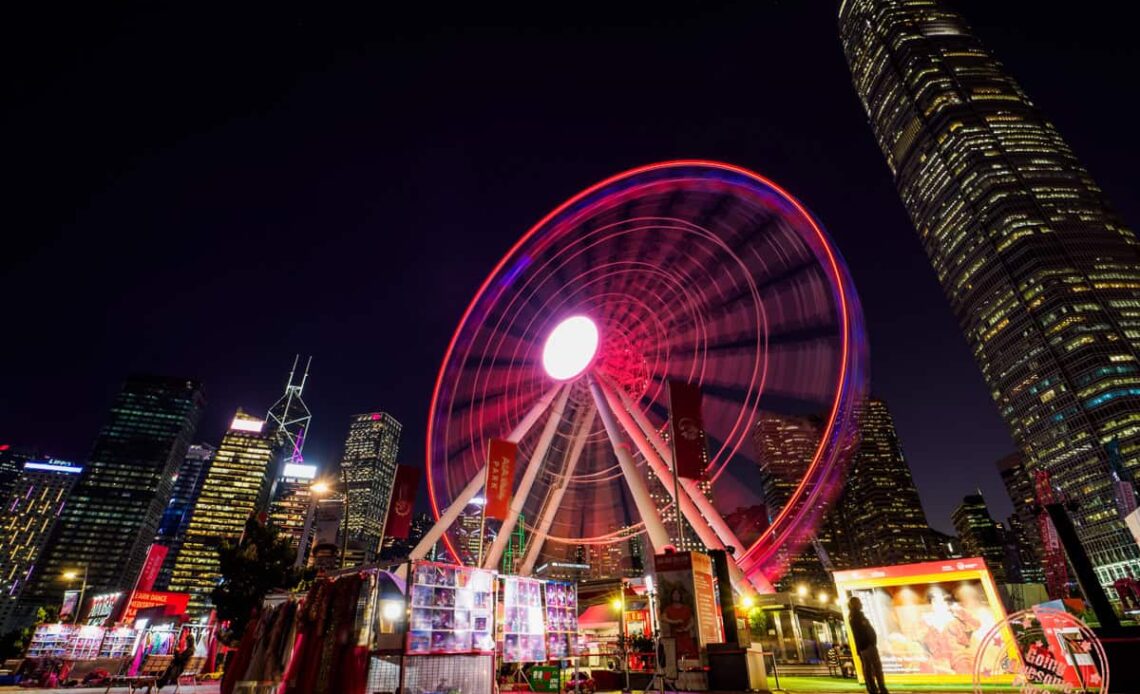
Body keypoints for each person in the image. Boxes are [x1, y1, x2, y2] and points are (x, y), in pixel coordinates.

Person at [848, 597, 888, 694]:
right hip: (867, 646)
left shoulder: (853, 616)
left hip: (863, 647)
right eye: (859, 602)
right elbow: (865, 631)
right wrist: (871, 642)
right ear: (855, 604)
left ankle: (872, 688)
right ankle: (881, 688)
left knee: (868, 668)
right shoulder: (857, 616)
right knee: (876, 667)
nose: (861, 604)